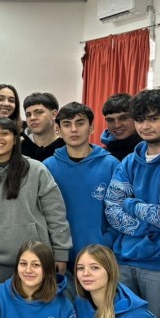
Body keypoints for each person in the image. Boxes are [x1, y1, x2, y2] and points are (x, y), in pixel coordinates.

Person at [104, 88, 160, 318]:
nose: (145, 126)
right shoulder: (128, 161)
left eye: (153, 118)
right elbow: (112, 208)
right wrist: (144, 226)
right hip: (124, 260)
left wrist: (131, 203)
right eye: (140, 120)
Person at [0, 117, 71, 289]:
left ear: (15, 139)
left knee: (37, 311)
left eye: (4, 133)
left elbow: (56, 214)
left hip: (36, 261)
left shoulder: (37, 170)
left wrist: (60, 253)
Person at [44, 102, 118, 268]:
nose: (74, 130)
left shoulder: (111, 165)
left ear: (91, 128)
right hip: (59, 258)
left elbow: (121, 211)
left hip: (101, 256)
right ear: (58, 130)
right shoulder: (47, 168)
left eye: (80, 123)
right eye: (67, 124)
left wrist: (106, 242)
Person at [21, 92, 65, 162]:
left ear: (54, 114)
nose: (32, 118)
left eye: (39, 112)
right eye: (28, 115)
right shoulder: (20, 147)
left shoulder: (66, 147)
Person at [101, 94, 141, 161]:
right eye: (110, 120)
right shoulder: (102, 155)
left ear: (136, 118)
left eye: (124, 118)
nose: (117, 125)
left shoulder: (148, 151)